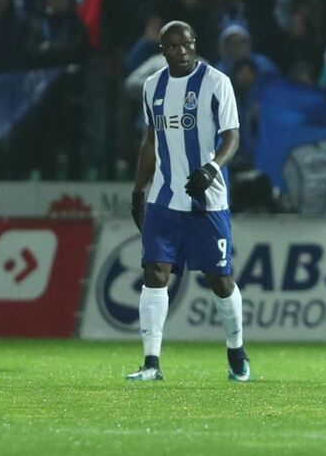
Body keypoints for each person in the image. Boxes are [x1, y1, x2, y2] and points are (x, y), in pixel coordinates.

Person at [128, 20, 250, 382]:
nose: (180, 51)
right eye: (172, 46)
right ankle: (152, 363)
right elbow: (151, 141)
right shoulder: (153, 87)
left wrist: (212, 168)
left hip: (208, 201)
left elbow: (232, 136)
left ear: (195, 45)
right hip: (166, 199)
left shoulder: (216, 82)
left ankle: (237, 353)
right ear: (162, 50)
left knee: (219, 279)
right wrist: (139, 190)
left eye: (186, 45)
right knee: (155, 273)